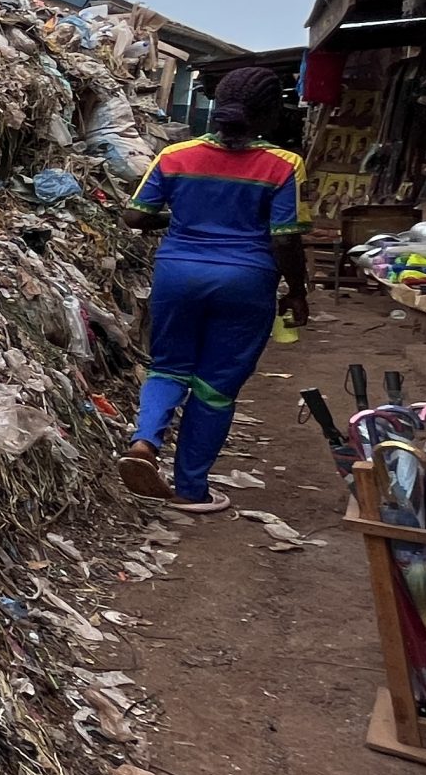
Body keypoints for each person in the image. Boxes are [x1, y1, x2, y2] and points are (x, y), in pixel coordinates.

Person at [120, 66, 310, 512]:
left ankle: (145, 443)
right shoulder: (284, 166)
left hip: (177, 275)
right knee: (215, 386)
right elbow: (285, 237)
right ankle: (190, 489)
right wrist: (298, 291)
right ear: (268, 116)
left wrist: (181, 220)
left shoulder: (174, 155)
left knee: (168, 367)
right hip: (245, 281)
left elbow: (134, 216)